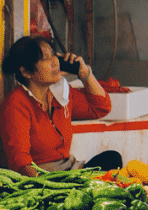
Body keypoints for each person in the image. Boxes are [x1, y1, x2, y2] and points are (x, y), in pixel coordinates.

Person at [0, 36, 113, 173]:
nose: (54, 61)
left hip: (70, 170)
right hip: (42, 177)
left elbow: (101, 108)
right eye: (45, 58)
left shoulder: (59, 94)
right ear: (26, 72)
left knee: (112, 159)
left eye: (53, 54)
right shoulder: (16, 104)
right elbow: (21, 163)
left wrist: (85, 73)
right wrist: (49, 187)